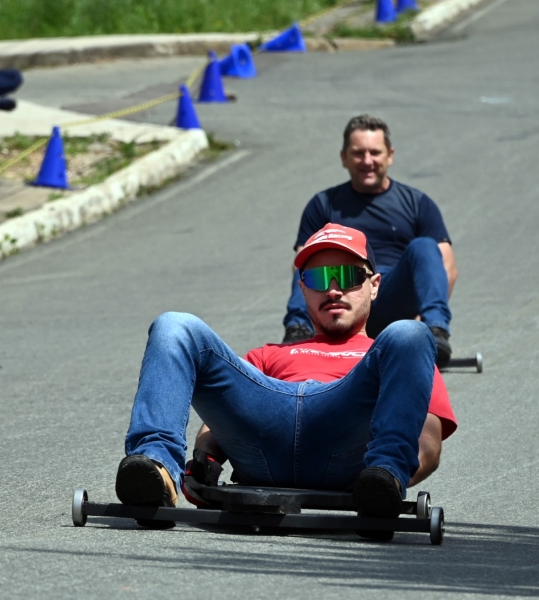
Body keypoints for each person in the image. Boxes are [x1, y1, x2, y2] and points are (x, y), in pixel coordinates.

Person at [119, 224, 457, 539]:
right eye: (318, 278)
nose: (333, 289)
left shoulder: (397, 353)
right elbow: (219, 422)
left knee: (411, 331)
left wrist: (396, 477)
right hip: (264, 435)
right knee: (174, 325)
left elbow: (427, 436)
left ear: (374, 285)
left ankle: (386, 477)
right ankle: (158, 469)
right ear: (302, 289)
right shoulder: (268, 355)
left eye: (348, 276)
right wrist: (205, 460)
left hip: (348, 442)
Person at [283, 115, 459, 368]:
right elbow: (299, 265)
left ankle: (435, 331)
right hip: (343, 291)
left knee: (424, 246)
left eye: (375, 152)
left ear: (390, 155)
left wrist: (419, 324)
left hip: (395, 296)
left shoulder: (418, 204)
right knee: (309, 265)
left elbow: (447, 268)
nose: (367, 161)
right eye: (358, 153)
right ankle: (298, 330)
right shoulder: (323, 205)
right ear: (344, 157)